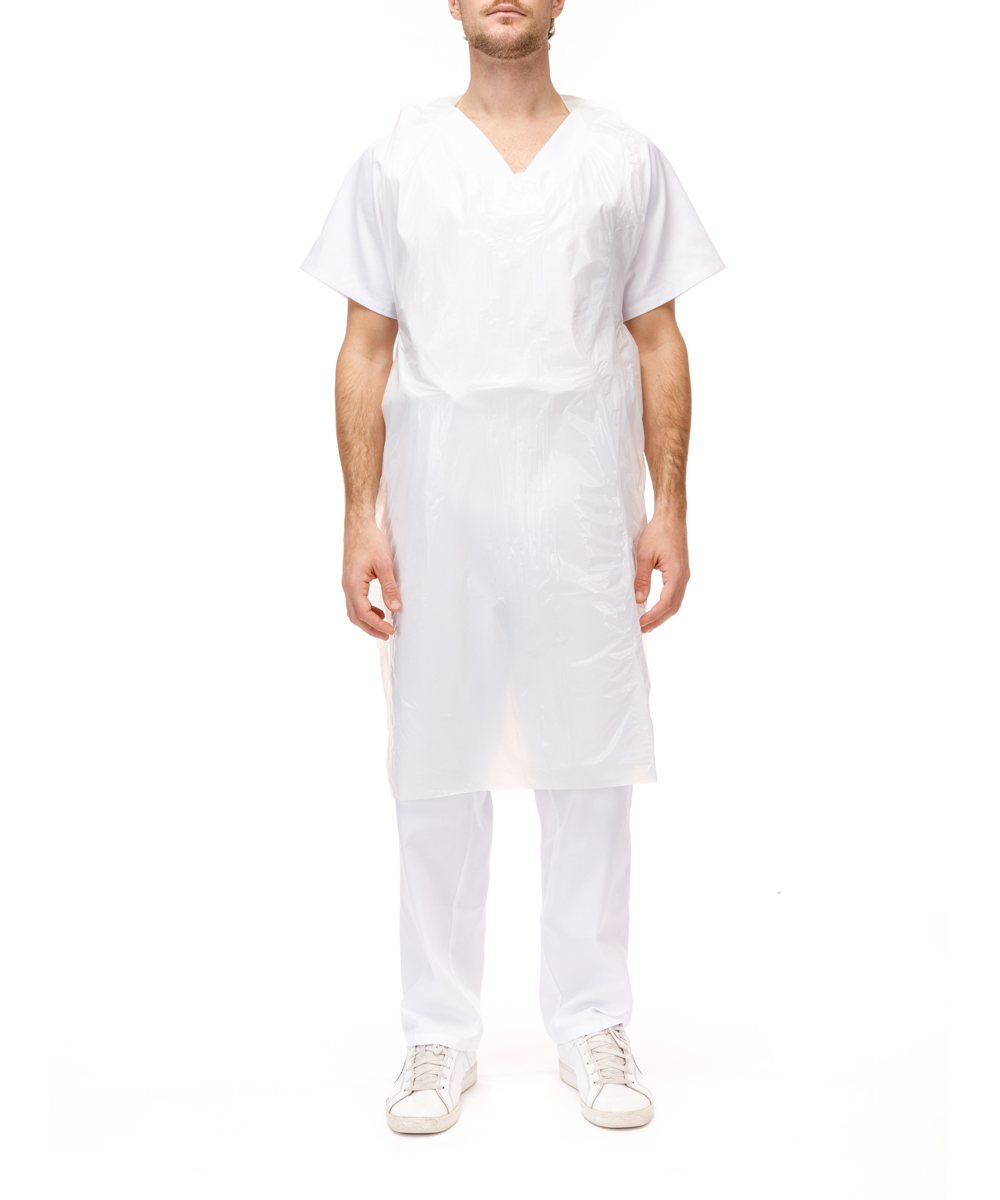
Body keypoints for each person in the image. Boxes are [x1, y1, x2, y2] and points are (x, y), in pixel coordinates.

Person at [302, 0, 723, 1134]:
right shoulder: (397, 164)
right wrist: (358, 516)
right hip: (438, 511)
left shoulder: (622, 161)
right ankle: (437, 1035)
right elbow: (365, 348)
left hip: (579, 508)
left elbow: (658, 340)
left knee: (589, 765)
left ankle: (591, 1019)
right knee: (436, 767)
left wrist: (671, 505)